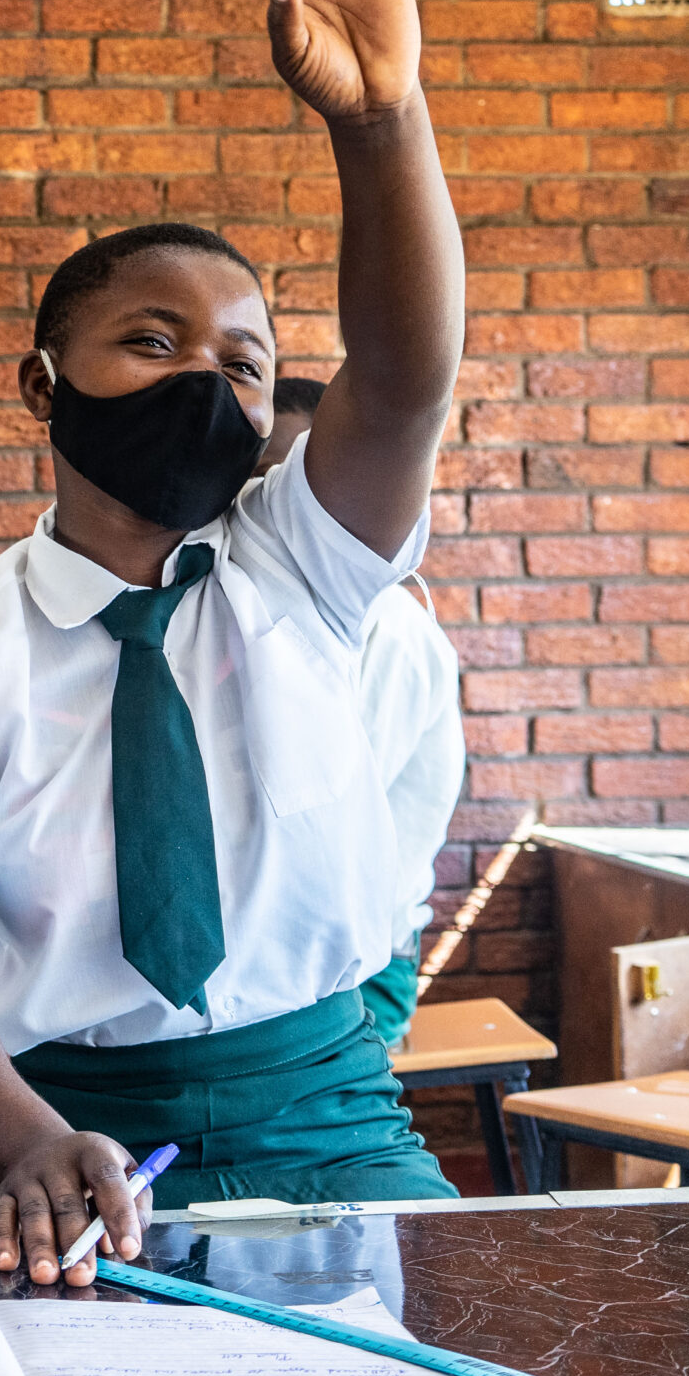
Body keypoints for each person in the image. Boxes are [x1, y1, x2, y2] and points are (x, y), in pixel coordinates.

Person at [0, 0, 468, 1288]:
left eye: (246, 360)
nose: (210, 380)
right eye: (153, 340)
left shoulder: (296, 565)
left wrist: (380, 119)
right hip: (71, 1132)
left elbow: (407, 374)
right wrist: (23, 1140)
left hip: (331, 1110)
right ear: (39, 383)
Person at [255, 376, 465, 1048]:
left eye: (296, 482)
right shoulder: (258, 615)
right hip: (277, 958)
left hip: (356, 971)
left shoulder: (392, 630)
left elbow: (311, 814)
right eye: (256, 478)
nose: (271, 504)